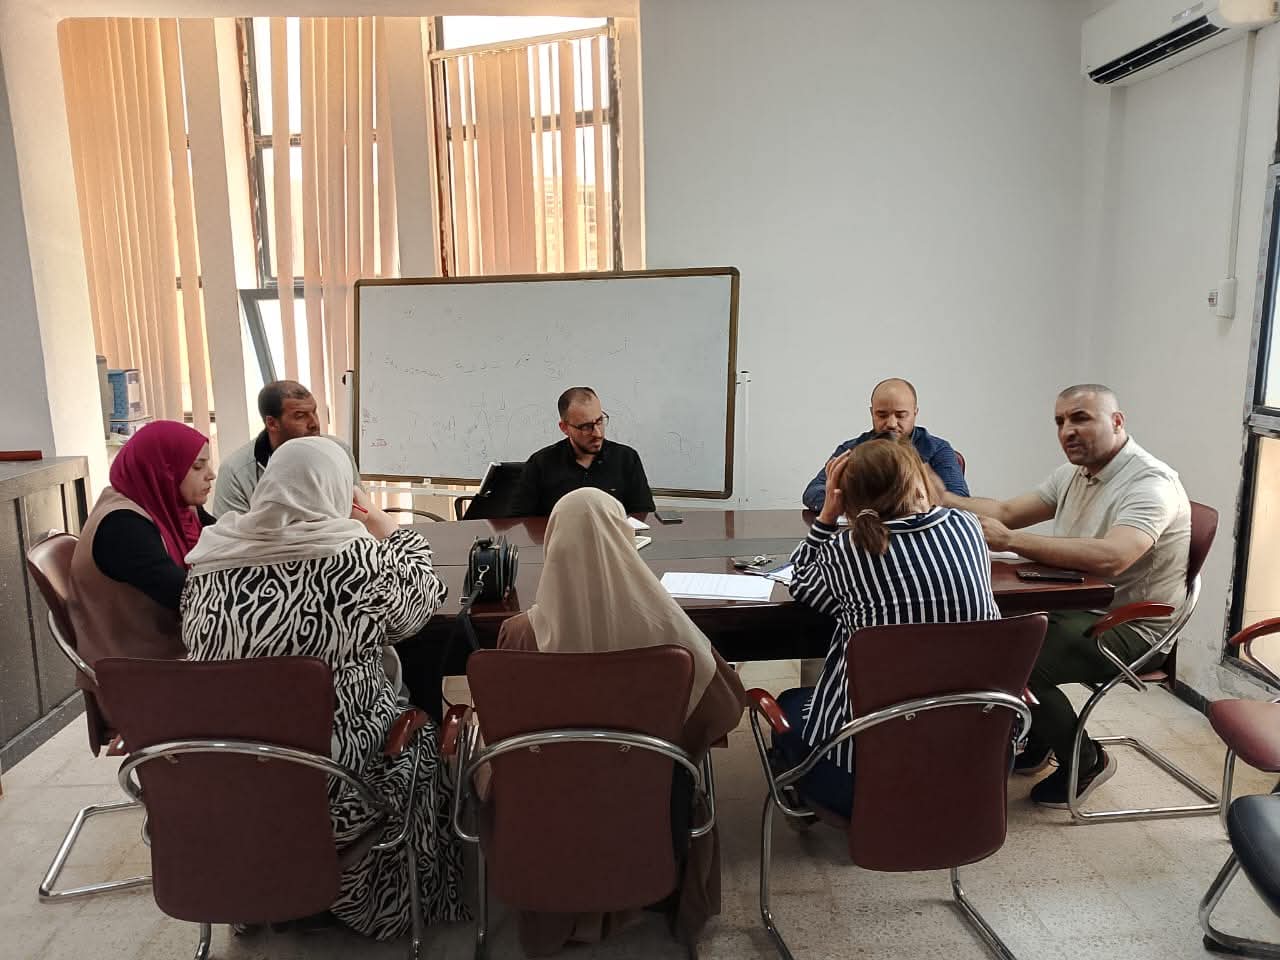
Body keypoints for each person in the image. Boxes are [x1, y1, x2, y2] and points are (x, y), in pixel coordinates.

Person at [181, 437, 466, 940]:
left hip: (234, 779)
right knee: (418, 730)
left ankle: (270, 889)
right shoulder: (351, 561)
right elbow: (421, 604)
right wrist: (388, 528)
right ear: (339, 490)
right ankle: (383, 892)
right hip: (340, 786)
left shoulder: (207, 562)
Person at [495, 487, 745, 955]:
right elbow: (724, 706)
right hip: (650, 795)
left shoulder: (520, 633)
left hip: (550, 800)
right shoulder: (671, 636)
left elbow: (506, 729)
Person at [941, 384, 1191, 808]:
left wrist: (1012, 541)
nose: (1067, 431)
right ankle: (1043, 737)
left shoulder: (1151, 483)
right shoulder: (1075, 473)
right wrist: (940, 497)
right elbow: (1005, 513)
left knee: (1011, 661)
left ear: (1117, 421)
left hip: (1131, 625)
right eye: (1060, 422)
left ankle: (1087, 761)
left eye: (1080, 418)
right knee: (990, 637)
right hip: (1077, 606)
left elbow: (1114, 557)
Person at [778, 439, 998, 817]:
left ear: (844, 494)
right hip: (973, 765)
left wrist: (827, 516)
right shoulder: (967, 527)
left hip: (862, 781)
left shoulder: (845, 551)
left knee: (789, 704)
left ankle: (809, 798)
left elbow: (800, 581)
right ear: (918, 482)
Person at [68, 420, 216, 671]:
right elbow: (188, 595)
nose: (211, 474)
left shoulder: (176, 507)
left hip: (174, 651)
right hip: (138, 670)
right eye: (197, 466)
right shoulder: (122, 526)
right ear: (163, 471)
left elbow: (229, 542)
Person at [801, 377, 968, 511]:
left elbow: (958, 498)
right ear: (872, 413)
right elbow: (813, 492)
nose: (891, 423)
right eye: (881, 415)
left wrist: (872, 503)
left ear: (915, 413)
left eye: (901, 415)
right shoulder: (852, 449)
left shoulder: (937, 449)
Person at [212, 379, 357, 516]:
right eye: (300, 416)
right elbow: (231, 531)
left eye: (314, 412)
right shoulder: (235, 472)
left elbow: (361, 515)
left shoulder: (339, 451)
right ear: (272, 423)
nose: (314, 424)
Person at [508, 386, 655, 517]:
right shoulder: (540, 463)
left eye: (599, 421)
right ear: (565, 428)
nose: (598, 433)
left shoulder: (626, 458)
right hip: (559, 538)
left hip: (611, 538)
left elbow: (643, 514)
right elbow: (519, 520)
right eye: (586, 427)